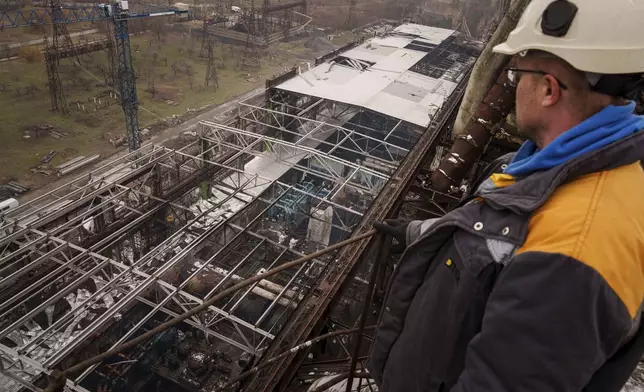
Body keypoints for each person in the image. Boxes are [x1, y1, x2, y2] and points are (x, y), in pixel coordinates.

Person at [367, 0, 644, 391]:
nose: (512, 90)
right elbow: (504, 238)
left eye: (515, 77)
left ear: (548, 89)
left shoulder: (576, 251)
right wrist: (425, 232)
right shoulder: (563, 169)